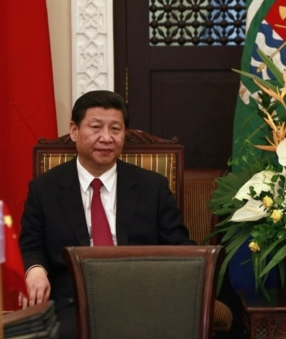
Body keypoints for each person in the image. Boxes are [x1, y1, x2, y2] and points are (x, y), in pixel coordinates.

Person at [19, 90, 194, 339]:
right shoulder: (45, 188)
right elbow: (31, 245)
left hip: (141, 298)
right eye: (96, 127)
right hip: (72, 301)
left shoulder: (152, 186)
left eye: (115, 129)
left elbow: (178, 245)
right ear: (74, 130)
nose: (106, 138)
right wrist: (35, 269)